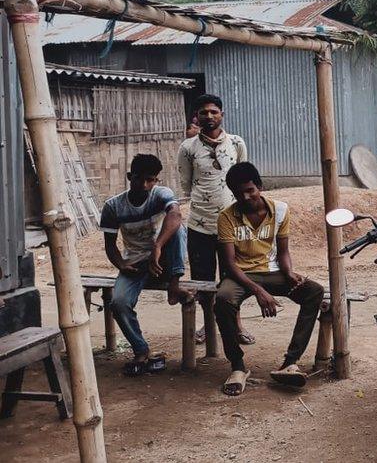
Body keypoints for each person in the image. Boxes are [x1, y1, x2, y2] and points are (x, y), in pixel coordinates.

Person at [214, 162, 324, 396]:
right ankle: (237, 367)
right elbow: (230, 265)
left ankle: (289, 362)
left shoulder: (280, 210)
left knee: (314, 291)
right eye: (238, 193)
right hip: (241, 275)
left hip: (272, 271)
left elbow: (283, 251)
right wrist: (258, 291)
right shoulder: (226, 217)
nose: (245, 197)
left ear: (260, 186)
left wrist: (289, 272)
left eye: (250, 190)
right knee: (223, 300)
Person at [100, 154, 190, 376]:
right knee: (118, 303)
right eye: (139, 179)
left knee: (178, 229)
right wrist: (121, 264)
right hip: (136, 264)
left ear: (156, 180)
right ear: (130, 176)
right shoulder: (113, 206)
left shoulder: (161, 194)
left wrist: (158, 247)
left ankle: (175, 284)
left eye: (150, 180)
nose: (144, 185)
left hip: (164, 261)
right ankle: (141, 349)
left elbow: (176, 215)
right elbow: (110, 245)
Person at [177, 94, 255, 346]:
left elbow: (243, 179)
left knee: (233, 277)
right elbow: (187, 185)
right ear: (196, 117)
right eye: (203, 112)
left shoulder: (236, 143)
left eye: (213, 112)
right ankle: (207, 325)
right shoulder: (188, 148)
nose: (208, 116)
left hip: (231, 224)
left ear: (222, 114)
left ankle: (236, 325)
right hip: (199, 223)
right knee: (203, 278)